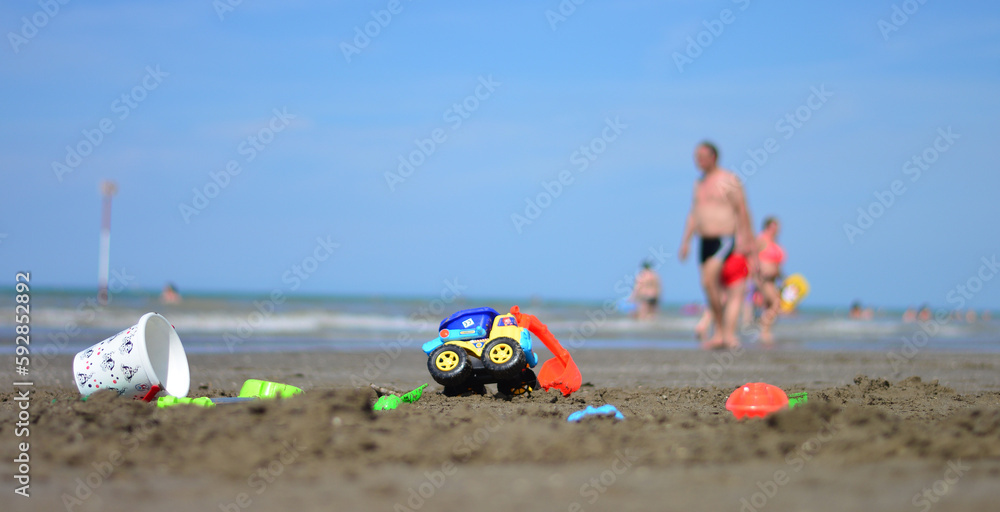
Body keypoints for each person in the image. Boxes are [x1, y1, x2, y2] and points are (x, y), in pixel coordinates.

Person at [679, 141, 755, 349]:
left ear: (713, 157)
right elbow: (693, 214)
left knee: (708, 280)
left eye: (702, 156)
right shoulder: (699, 183)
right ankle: (720, 332)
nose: (698, 161)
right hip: (704, 241)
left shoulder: (728, 179)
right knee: (710, 286)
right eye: (696, 157)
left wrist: (747, 240)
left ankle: (725, 333)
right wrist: (685, 241)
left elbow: (742, 210)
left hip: (724, 238)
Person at [755, 217, 784, 344]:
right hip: (764, 278)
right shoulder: (761, 239)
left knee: (768, 306)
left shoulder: (775, 242)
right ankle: (763, 329)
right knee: (776, 304)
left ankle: (765, 332)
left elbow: (777, 263)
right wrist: (756, 275)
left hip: (774, 279)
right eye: (773, 227)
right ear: (767, 227)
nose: (776, 230)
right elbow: (753, 256)